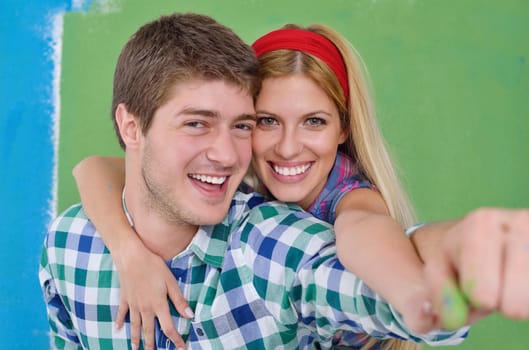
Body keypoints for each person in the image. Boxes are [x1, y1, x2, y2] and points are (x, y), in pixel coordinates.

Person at [39, 12, 471, 350]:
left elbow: (383, 243)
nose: (286, 148)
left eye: (240, 126)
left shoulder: (323, 218)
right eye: (263, 122)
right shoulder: (68, 247)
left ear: (343, 129)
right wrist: (128, 251)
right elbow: (97, 169)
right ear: (132, 128)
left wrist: (454, 268)